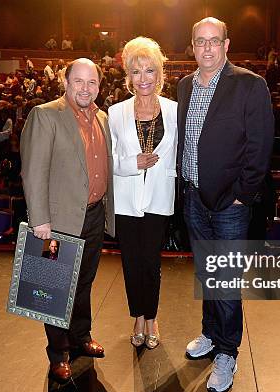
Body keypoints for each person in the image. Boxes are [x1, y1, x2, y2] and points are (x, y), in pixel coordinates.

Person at [178, 17, 273, 392]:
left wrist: (242, 194)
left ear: (226, 45)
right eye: (200, 41)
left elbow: (260, 145)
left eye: (213, 41)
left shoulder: (250, 85)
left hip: (230, 203)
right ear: (192, 46)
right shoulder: (185, 86)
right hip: (194, 198)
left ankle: (228, 351)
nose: (206, 48)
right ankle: (210, 333)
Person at [20, 58, 115, 384]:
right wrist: (40, 221)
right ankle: (58, 354)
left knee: (84, 284)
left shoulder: (102, 117)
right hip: (56, 222)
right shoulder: (46, 115)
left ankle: (81, 337)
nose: (86, 87)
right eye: (79, 81)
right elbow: (33, 171)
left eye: (92, 82)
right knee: (53, 290)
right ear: (66, 81)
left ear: (99, 86)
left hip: (93, 216)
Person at [108, 37, 178, 350]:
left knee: (151, 262)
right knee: (131, 263)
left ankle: (151, 317)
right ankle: (137, 316)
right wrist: (131, 163)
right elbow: (109, 159)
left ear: (160, 75)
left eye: (150, 71)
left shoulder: (175, 111)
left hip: (159, 199)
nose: (144, 78)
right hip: (125, 200)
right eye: (137, 72)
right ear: (129, 76)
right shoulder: (115, 113)